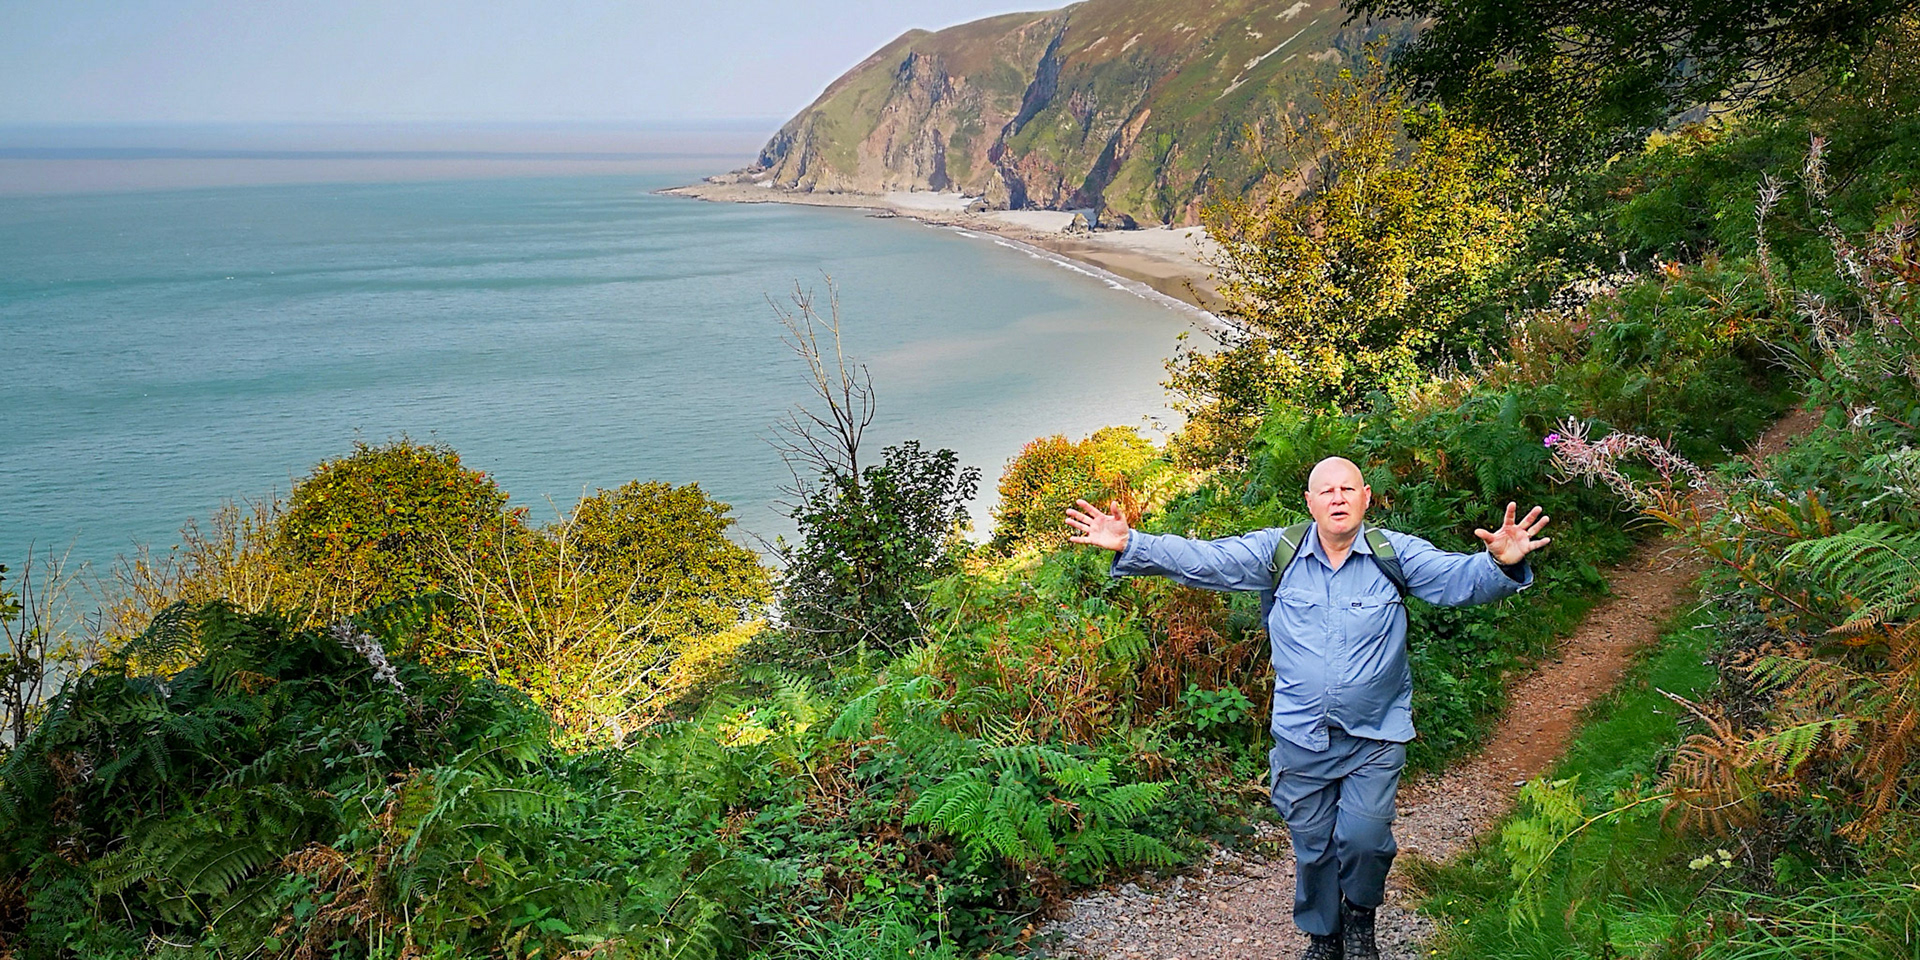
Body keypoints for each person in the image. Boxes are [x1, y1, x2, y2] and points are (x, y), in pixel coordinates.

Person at [1064, 457, 1551, 960]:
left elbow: (1456, 577)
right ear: (1310, 503)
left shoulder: (1394, 555)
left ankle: (1360, 916)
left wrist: (1503, 563)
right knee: (1313, 847)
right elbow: (1206, 559)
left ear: (1367, 497)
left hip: (1375, 735)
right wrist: (1132, 543)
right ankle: (1325, 935)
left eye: (1347, 489)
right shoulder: (1277, 551)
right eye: (1326, 491)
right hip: (1301, 738)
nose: (1337, 498)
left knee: (1364, 840)